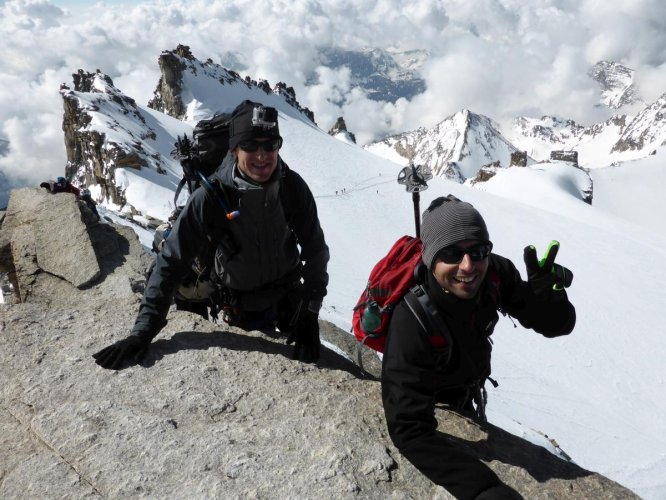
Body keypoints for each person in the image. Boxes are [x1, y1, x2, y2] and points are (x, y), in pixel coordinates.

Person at [93, 100, 329, 369]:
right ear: (234, 148)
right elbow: (170, 262)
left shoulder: (291, 187)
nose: (262, 155)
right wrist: (142, 333)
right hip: (241, 306)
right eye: (251, 145)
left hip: (288, 297)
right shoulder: (211, 196)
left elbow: (315, 250)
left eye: (270, 145)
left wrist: (310, 312)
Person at [381, 195, 576, 499]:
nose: (468, 266)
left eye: (478, 251)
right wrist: (484, 489)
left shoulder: (495, 275)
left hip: (465, 390)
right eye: (452, 254)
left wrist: (548, 297)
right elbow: (408, 429)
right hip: (433, 393)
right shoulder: (411, 319)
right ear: (431, 258)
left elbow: (557, 325)